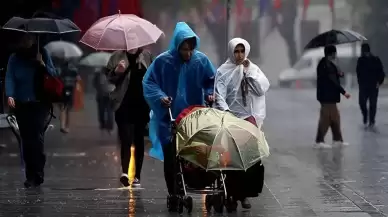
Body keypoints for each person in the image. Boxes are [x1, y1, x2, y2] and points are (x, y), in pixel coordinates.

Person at [143, 22, 215, 211]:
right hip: (169, 118)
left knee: (194, 155)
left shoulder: (201, 61)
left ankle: (191, 184)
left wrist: (209, 93)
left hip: (193, 117)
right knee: (171, 156)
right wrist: (160, 97)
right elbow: (149, 82)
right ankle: (174, 192)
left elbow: (212, 80)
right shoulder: (163, 61)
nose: (188, 54)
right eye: (184, 50)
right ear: (177, 46)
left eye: (190, 50)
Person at [214, 38, 269, 210]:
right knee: (232, 160)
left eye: (241, 51)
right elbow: (219, 95)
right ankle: (233, 193)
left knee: (250, 159)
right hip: (230, 119)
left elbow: (260, 89)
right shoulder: (223, 71)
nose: (239, 55)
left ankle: (245, 194)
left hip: (248, 119)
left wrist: (248, 72)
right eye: (236, 51)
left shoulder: (251, 68)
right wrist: (226, 113)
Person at [5, 34, 57, 188]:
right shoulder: (14, 58)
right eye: (23, 39)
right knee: (26, 140)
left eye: (29, 39)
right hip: (22, 103)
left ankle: (38, 171)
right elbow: (10, 77)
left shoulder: (42, 53)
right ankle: (30, 175)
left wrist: (42, 64)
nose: (26, 42)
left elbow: (53, 74)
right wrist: (10, 94)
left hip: (40, 103)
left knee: (36, 136)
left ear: (34, 40)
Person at [106, 48, 153, 187]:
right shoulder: (116, 56)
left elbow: (154, 77)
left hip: (142, 105)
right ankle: (125, 173)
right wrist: (117, 71)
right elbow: (109, 78)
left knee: (138, 140)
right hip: (123, 104)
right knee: (125, 138)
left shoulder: (147, 56)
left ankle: (137, 175)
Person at [315, 45, 350, 148]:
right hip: (326, 97)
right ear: (331, 54)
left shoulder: (330, 64)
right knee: (325, 119)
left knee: (335, 118)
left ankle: (337, 139)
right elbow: (333, 81)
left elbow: (340, 75)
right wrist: (344, 92)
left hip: (330, 97)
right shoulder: (324, 65)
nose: (336, 55)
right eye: (335, 53)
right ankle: (319, 141)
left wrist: (338, 70)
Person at [356, 43, 385, 128]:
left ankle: (371, 120)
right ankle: (365, 115)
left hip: (373, 86)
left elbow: (381, 72)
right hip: (364, 86)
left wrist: (379, 82)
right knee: (362, 103)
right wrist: (360, 83)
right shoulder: (360, 60)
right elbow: (358, 72)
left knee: (373, 104)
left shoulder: (375, 60)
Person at [57, 59, 81, 133]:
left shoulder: (60, 70)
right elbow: (78, 79)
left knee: (62, 108)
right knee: (68, 109)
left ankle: (62, 125)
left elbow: (58, 79)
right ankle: (66, 126)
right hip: (70, 90)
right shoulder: (74, 70)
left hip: (62, 90)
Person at [92, 69, 114, 134]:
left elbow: (94, 83)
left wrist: (98, 88)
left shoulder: (98, 73)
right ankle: (109, 126)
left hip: (102, 95)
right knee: (109, 111)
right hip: (109, 95)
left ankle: (103, 125)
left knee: (102, 110)